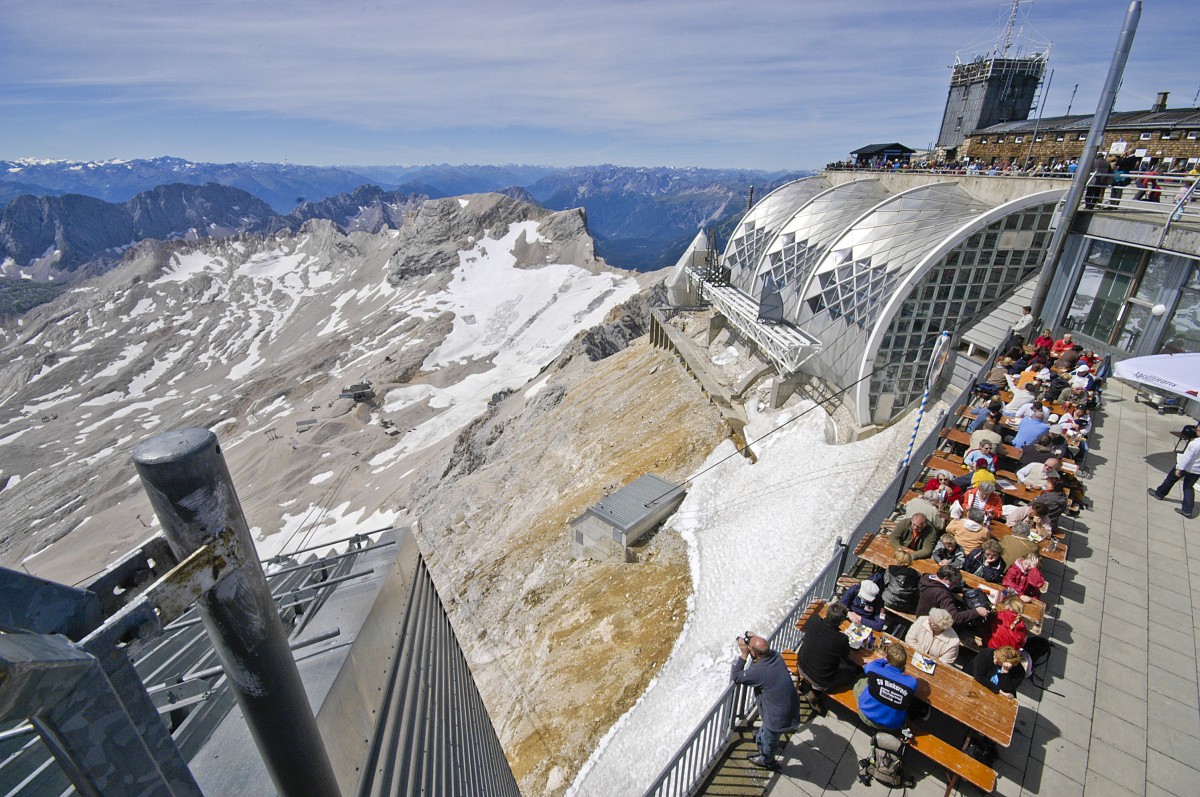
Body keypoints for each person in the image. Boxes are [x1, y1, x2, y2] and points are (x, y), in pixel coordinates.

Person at [732, 633, 801, 769]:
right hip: (788, 706)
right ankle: (760, 738)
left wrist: (744, 654)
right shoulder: (776, 657)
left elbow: (737, 676)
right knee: (766, 734)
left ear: (753, 653)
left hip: (777, 718)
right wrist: (754, 638)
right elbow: (761, 650)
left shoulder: (759, 672)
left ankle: (767, 760)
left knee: (770, 742)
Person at [796, 602, 854, 716]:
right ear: (841, 622)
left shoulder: (814, 620)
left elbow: (810, 629)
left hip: (801, 666)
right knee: (851, 673)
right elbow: (845, 655)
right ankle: (816, 691)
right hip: (821, 681)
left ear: (827, 613)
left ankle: (808, 686)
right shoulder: (841, 639)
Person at [854, 643, 918, 731]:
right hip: (891, 725)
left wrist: (883, 659)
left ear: (886, 657)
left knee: (862, 680)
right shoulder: (912, 682)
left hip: (866, 714)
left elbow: (868, 667)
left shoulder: (874, 668)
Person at [1148, 424, 1200, 519]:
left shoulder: (1195, 444)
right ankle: (1187, 510)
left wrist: (1179, 468)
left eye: (1198, 430)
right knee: (1188, 488)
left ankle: (1159, 493)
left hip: (1186, 467)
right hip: (1197, 470)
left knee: (1170, 479)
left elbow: (1187, 458)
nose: (1196, 430)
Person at [915, 565, 990, 629]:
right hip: (930, 624)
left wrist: (963, 590)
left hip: (921, 614)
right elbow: (954, 617)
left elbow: (944, 586)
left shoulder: (927, 578)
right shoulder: (942, 593)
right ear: (945, 579)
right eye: (953, 583)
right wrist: (976, 611)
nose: (954, 585)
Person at [880, 549, 921, 614]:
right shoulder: (916, 574)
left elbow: (886, 582)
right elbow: (916, 589)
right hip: (905, 605)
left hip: (888, 600)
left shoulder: (890, 569)